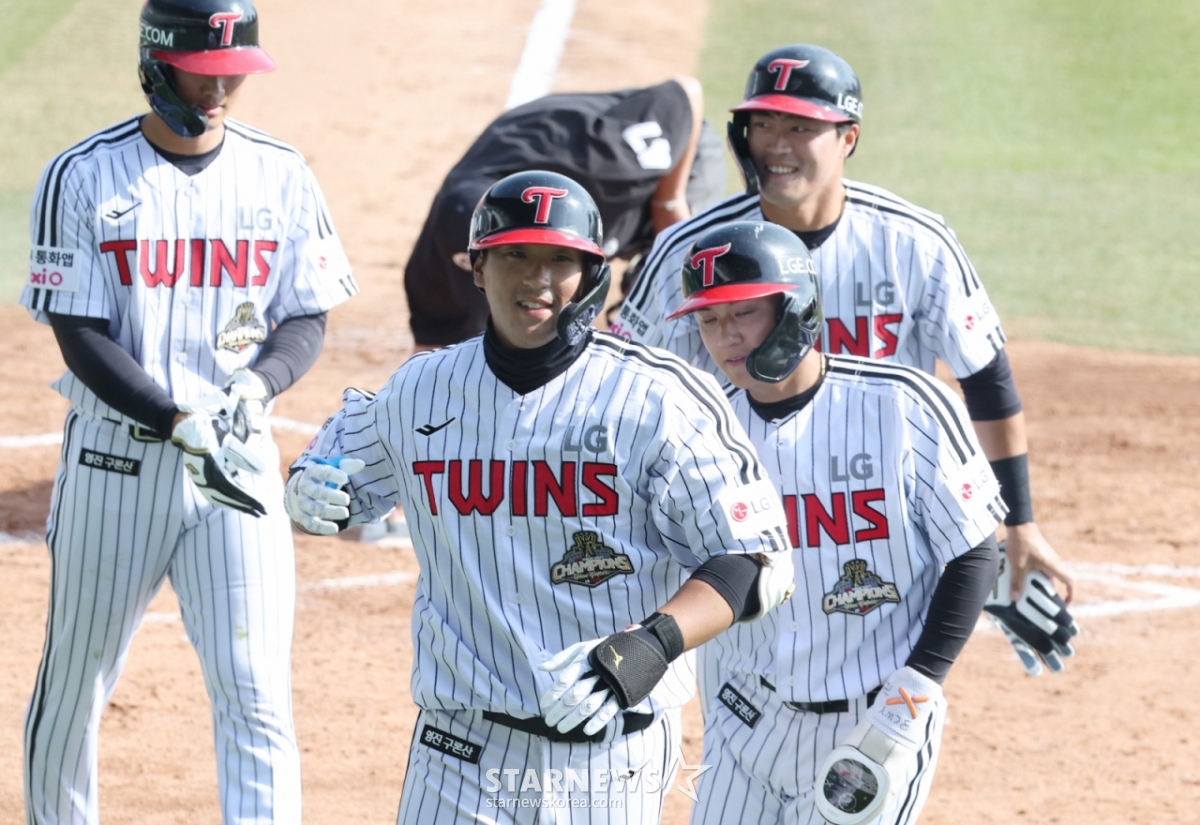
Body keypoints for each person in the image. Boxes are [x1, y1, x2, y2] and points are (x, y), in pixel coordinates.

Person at [284, 171, 795, 823]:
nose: (537, 279)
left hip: (612, 753)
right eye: (516, 255)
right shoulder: (419, 392)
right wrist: (309, 493)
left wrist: (653, 642)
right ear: (477, 266)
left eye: (560, 260)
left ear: (591, 274)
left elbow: (758, 561)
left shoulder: (657, 400)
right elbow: (334, 478)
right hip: (458, 752)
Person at [615, 44, 1074, 676]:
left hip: (874, 515)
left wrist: (1013, 527)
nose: (776, 144)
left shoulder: (913, 242)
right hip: (750, 515)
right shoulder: (689, 250)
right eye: (764, 124)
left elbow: (987, 381)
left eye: (800, 127)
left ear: (848, 137)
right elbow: (625, 389)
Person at [18, 1, 357, 822]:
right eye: (203, 76)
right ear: (156, 63)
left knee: (255, 690)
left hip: (235, 462)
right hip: (116, 463)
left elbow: (305, 311)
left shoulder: (280, 171)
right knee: (76, 683)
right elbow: (79, 332)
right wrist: (172, 417)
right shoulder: (84, 174)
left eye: (232, 76)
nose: (219, 94)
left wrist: (260, 383)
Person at [669, 221, 1003, 824]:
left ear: (796, 308)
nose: (725, 338)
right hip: (744, 720)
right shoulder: (701, 429)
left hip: (874, 723)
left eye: (741, 313)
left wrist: (919, 687)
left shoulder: (902, 404)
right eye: (709, 320)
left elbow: (976, 550)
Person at [404, 77, 726, 350]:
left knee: (667, 288)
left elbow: (687, 92)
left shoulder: (613, 160)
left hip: (672, 165)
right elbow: (431, 355)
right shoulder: (432, 272)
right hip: (541, 163)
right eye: (511, 257)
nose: (532, 276)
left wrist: (668, 202)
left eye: (546, 254)